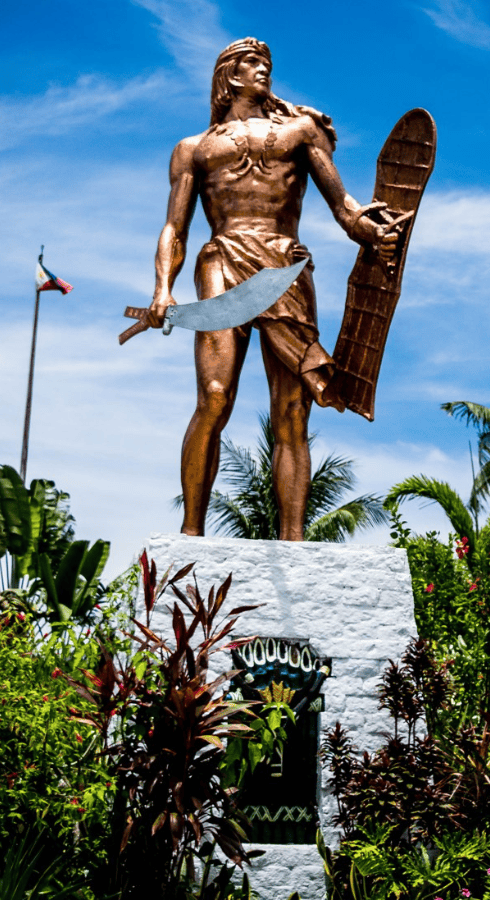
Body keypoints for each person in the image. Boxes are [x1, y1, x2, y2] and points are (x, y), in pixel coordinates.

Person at [146, 38, 402, 539]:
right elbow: (174, 228)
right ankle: (192, 533)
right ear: (228, 77)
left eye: (266, 64)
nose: (263, 70)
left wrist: (372, 230)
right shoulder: (193, 149)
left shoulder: (300, 132)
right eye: (250, 63)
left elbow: (344, 208)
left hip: (285, 264)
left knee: (291, 409)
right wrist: (162, 288)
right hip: (223, 261)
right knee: (215, 398)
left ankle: (293, 539)